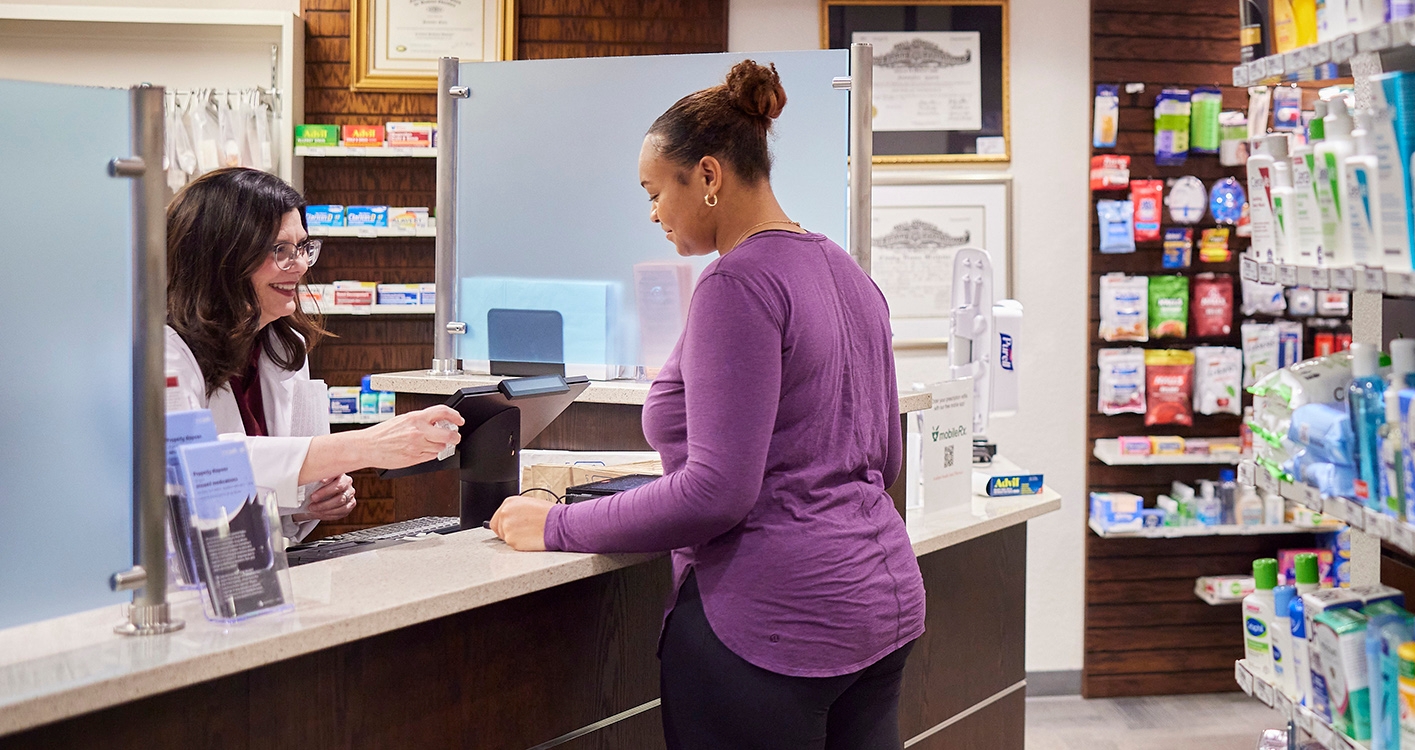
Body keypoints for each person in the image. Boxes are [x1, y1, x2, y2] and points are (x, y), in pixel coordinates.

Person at [487, 61, 924, 750]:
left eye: (656, 191)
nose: (653, 212)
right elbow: (887, 458)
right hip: (880, 605)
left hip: (773, 628)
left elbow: (717, 492)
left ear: (710, 177)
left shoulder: (738, 284)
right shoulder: (847, 272)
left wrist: (556, 525)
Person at [164, 167, 464, 543]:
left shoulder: (281, 347)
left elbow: (258, 494)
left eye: (302, 247)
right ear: (220, 258)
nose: (302, 265)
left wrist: (304, 507)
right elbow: (194, 470)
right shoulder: (165, 354)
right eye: (280, 251)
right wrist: (365, 446)